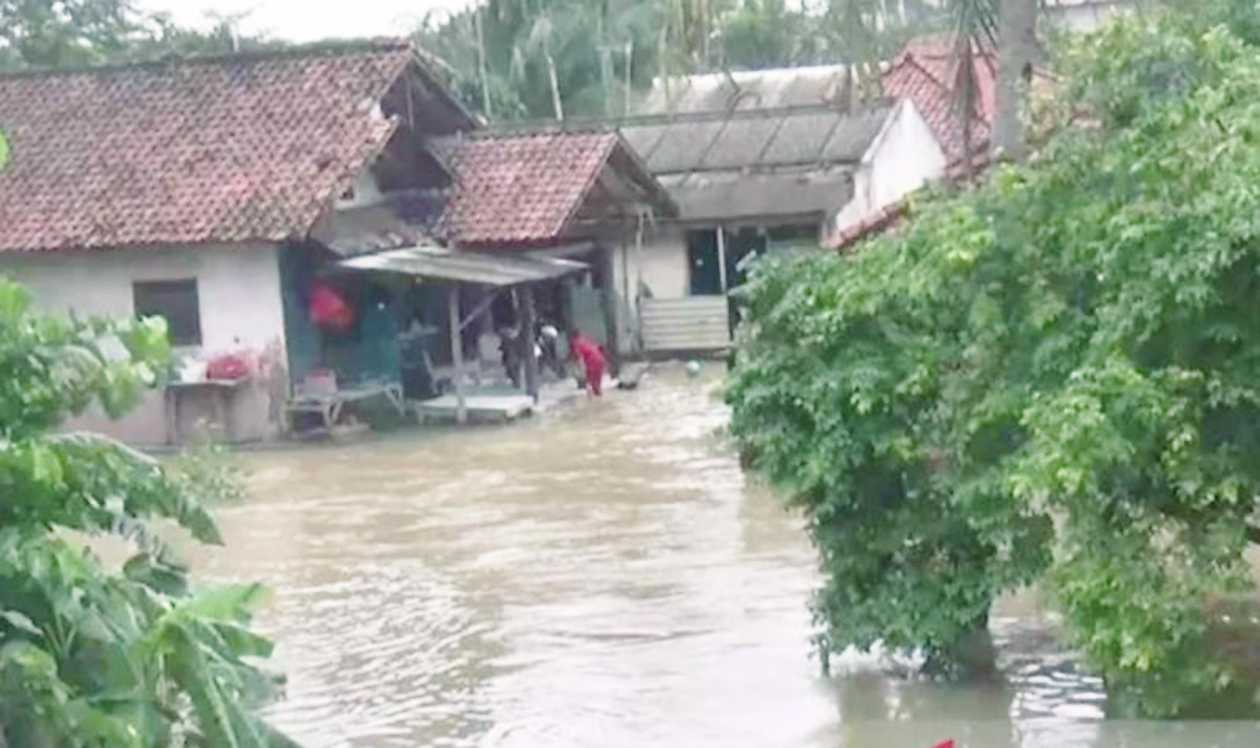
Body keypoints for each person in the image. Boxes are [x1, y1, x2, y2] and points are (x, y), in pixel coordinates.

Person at [569, 329, 607, 396]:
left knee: (589, 382)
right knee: (597, 385)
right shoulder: (585, 340)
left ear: (572, 336)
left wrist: (576, 364)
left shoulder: (575, 342)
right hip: (601, 359)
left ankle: (592, 400)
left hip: (592, 361)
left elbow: (577, 355)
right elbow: (600, 347)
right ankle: (599, 399)